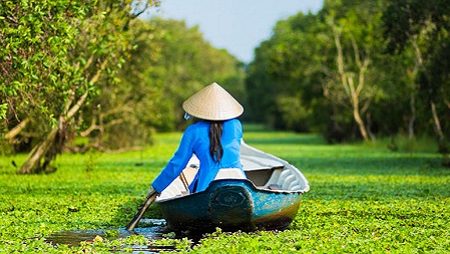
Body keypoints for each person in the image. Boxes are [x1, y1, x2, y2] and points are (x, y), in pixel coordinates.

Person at [151, 82, 244, 194]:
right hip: (240, 183)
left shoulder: (193, 131)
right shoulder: (236, 125)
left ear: (201, 109)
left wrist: (157, 187)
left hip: (207, 188)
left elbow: (178, 163)